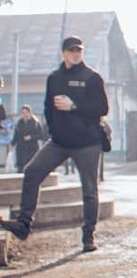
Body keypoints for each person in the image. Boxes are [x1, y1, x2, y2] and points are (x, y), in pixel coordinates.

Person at [2, 38, 108, 252]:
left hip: (87, 143)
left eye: (79, 50)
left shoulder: (92, 78)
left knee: (89, 189)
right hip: (59, 142)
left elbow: (102, 108)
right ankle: (23, 225)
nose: (76, 54)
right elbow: (48, 108)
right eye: (72, 50)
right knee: (32, 172)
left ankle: (89, 237)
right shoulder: (55, 78)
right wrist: (54, 131)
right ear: (63, 53)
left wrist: (74, 106)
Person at [11, 104, 46, 173]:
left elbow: (41, 135)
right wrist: (12, 144)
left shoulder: (35, 122)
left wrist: (31, 137)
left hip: (32, 149)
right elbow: (16, 136)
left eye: (26, 112)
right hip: (21, 149)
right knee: (21, 168)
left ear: (30, 113)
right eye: (23, 113)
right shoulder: (19, 123)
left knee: (32, 168)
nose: (25, 115)